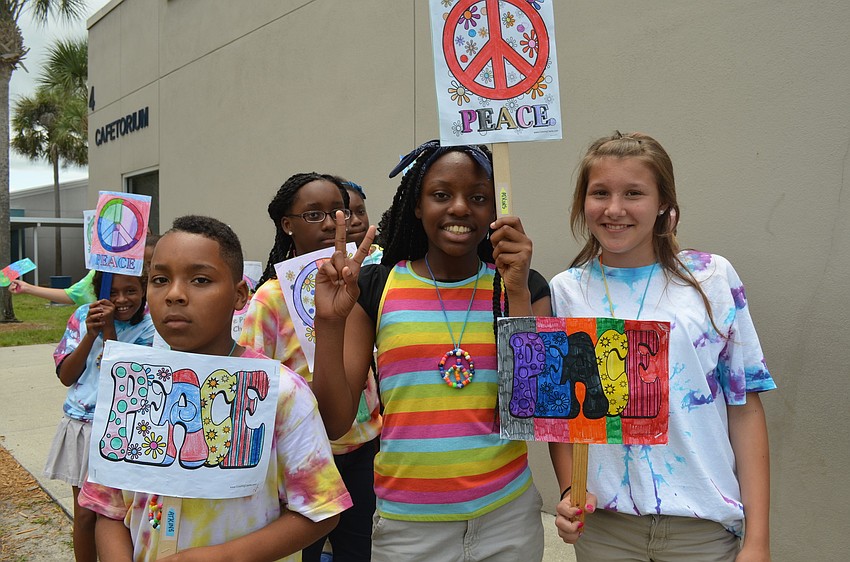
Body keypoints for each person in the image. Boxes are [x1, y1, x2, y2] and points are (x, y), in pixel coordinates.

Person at [311, 140, 551, 562]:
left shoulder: (526, 288)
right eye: (441, 195)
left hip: (507, 519)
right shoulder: (375, 287)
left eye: (478, 198)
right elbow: (334, 422)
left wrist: (514, 290)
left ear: (496, 209)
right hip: (408, 528)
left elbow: (531, 414)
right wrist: (330, 323)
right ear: (417, 205)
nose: (460, 208)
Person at [548, 132, 775, 561]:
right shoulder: (568, 291)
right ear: (583, 203)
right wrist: (569, 491)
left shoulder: (711, 278)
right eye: (601, 193)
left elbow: (744, 409)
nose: (615, 209)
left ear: (664, 205)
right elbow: (564, 415)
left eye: (634, 193)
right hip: (607, 529)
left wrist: (758, 539)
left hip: (702, 527)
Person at [78, 215, 352, 561]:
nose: (175, 294)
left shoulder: (279, 393)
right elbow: (109, 508)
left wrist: (224, 556)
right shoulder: (131, 386)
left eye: (200, 279)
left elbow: (320, 510)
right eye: (160, 279)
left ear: (240, 295)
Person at [239, 174, 380, 562]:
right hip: (300, 457)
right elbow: (252, 383)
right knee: (306, 550)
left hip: (364, 445)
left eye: (339, 212)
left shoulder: (363, 280)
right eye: (314, 214)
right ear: (288, 224)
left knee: (360, 547)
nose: (332, 224)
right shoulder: (268, 299)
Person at [45, 270, 155, 562]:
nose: (121, 300)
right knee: (84, 515)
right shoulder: (83, 315)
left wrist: (109, 332)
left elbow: (128, 382)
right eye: (113, 292)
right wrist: (91, 332)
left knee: (118, 514)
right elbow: (67, 377)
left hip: (125, 429)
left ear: (143, 290)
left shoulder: (151, 325)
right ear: (99, 293)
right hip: (82, 426)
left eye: (131, 290)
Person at [11, 234, 160, 306]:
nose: (148, 270)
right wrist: (27, 288)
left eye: (152, 264)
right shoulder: (102, 274)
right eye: (143, 264)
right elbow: (72, 295)